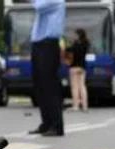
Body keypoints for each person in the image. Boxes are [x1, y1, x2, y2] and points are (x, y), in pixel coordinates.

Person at [28, 0, 66, 137]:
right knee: (40, 86)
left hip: (48, 44)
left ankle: (56, 126)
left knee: (50, 86)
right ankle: (46, 123)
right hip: (39, 44)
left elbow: (38, 6)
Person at [67, 28, 90, 112]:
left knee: (75, 87)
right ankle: (85, 106)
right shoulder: (86, 43)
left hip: (74, 67)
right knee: (82, 86)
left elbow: (68, 50)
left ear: (78, 35)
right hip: (82, 67)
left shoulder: (75, 44)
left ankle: (75, 106)